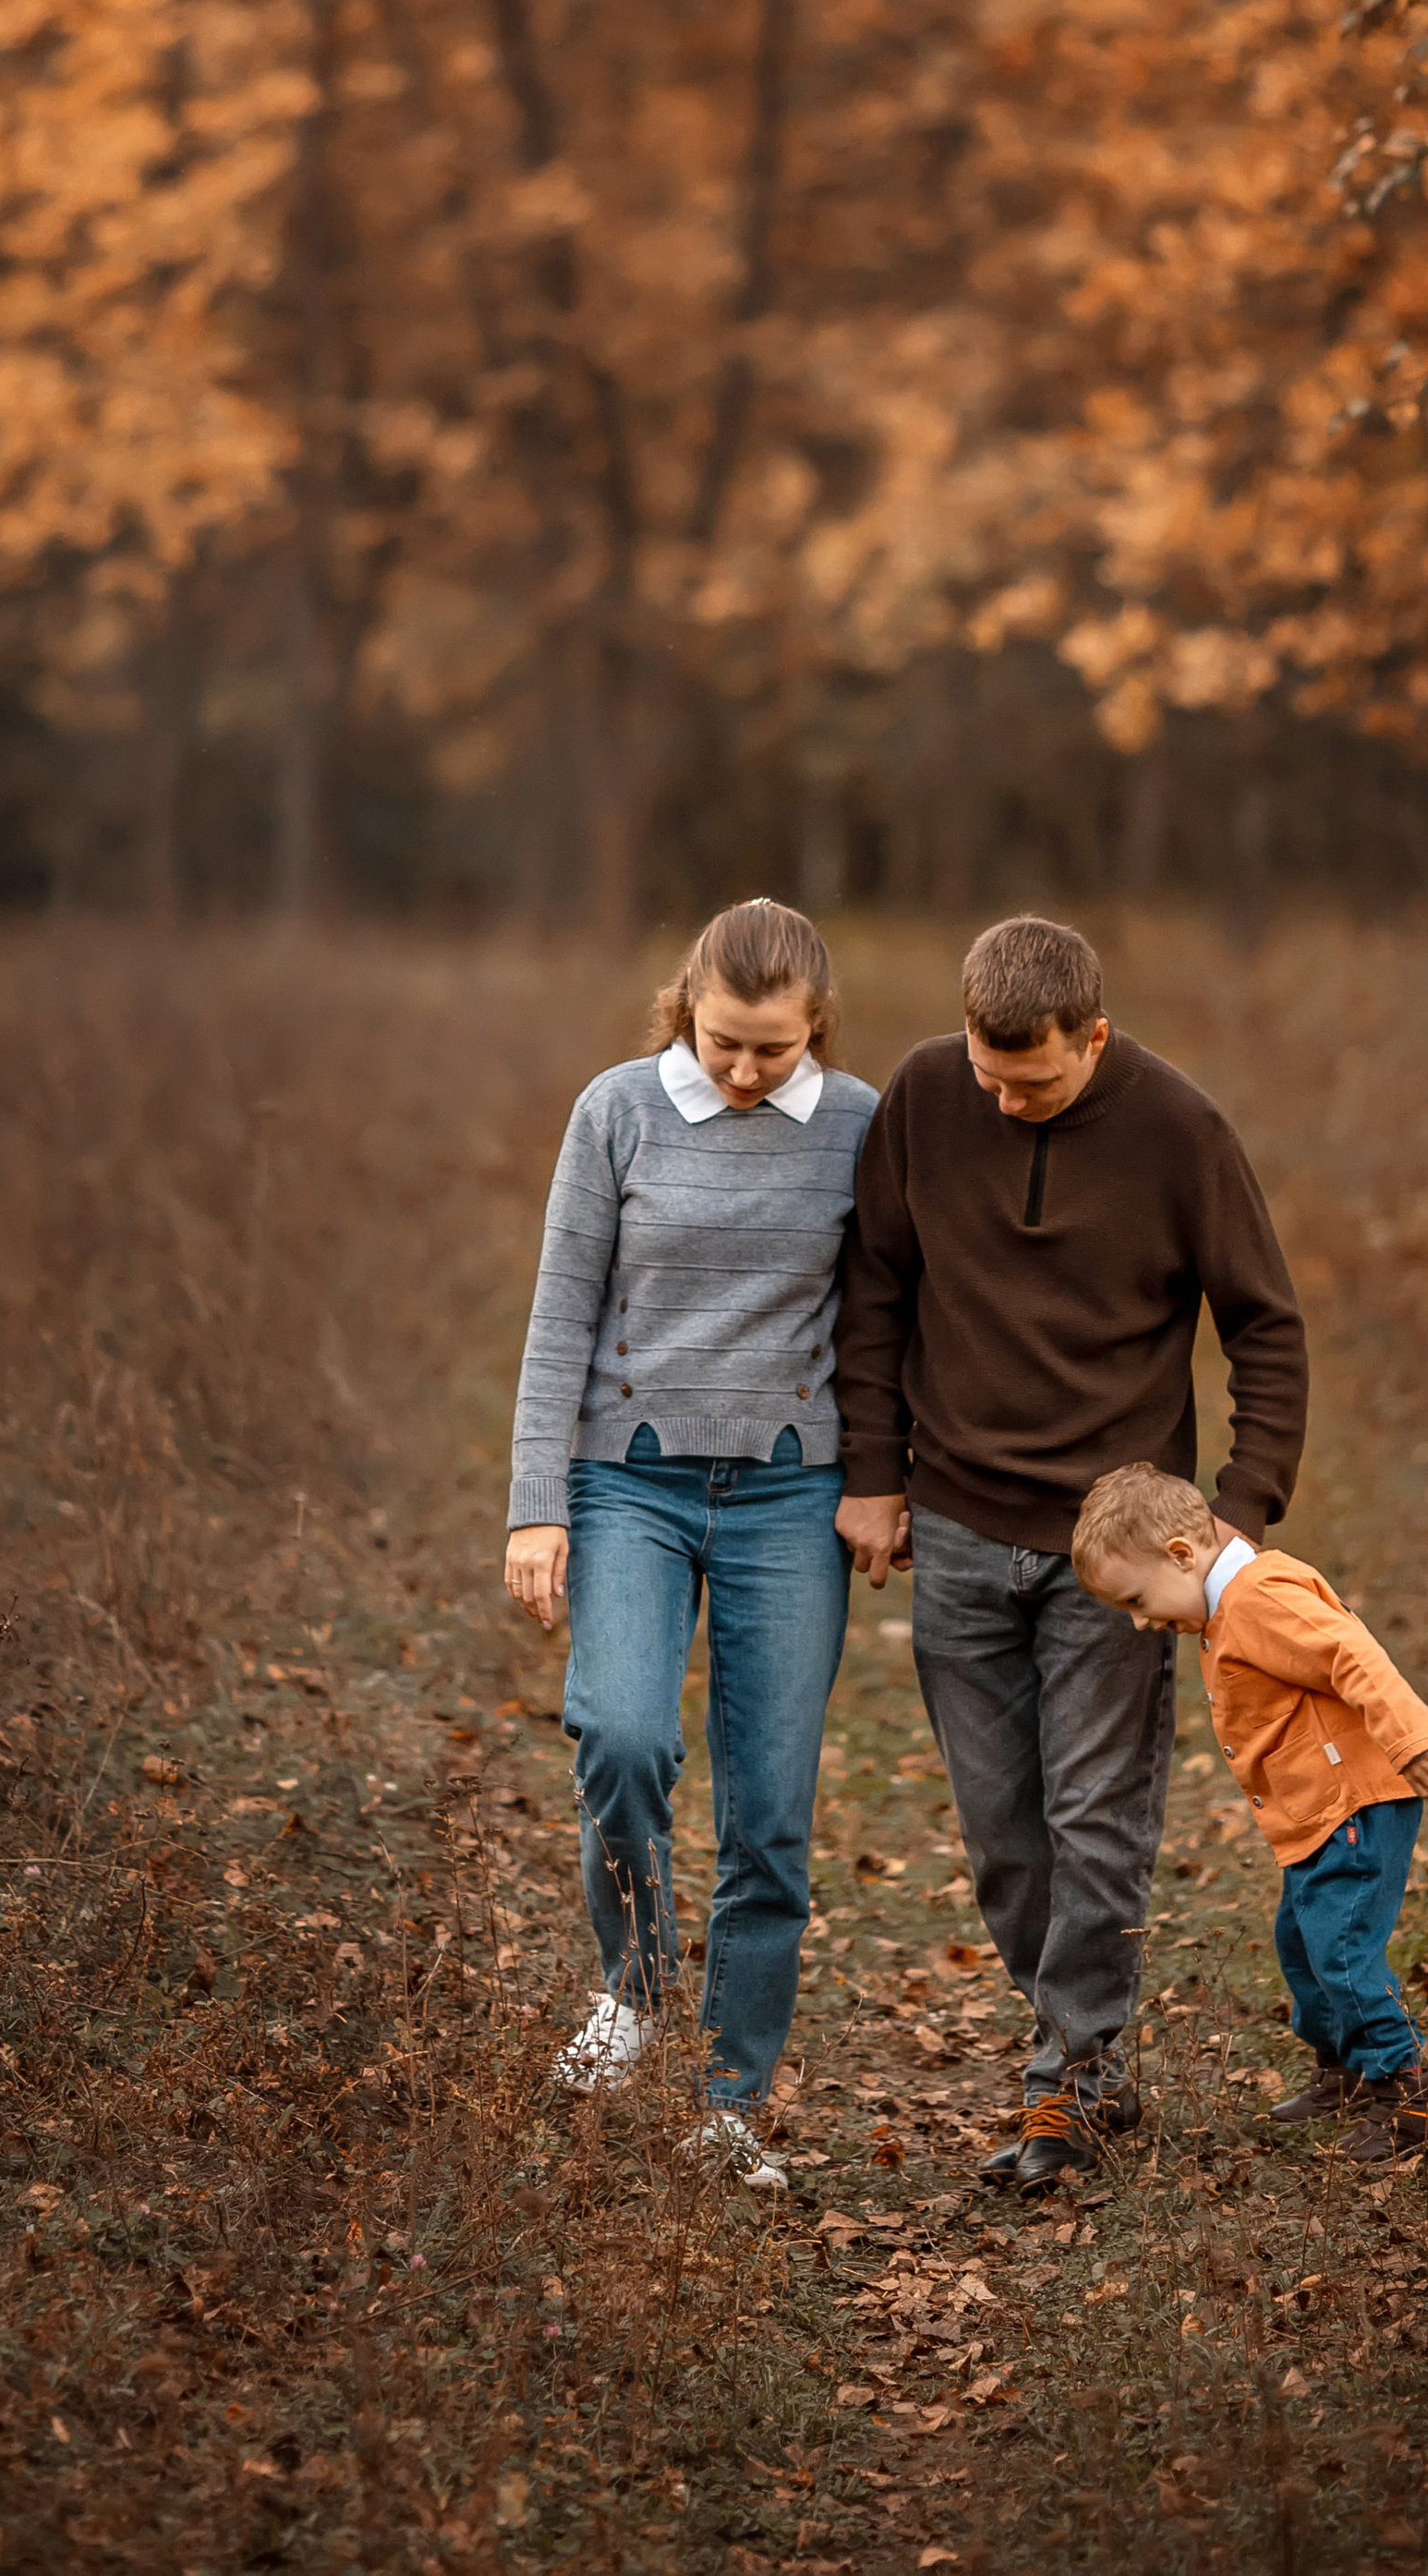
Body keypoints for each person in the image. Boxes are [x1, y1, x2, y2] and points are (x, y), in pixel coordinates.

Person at [833, 914, 1308, 2194]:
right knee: (1005, 1836)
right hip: (962, 1527)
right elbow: (874, 1287)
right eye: (991, 1075)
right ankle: (1082, 2055)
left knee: (1098, 1818)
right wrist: (874, 1474)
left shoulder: (1182, 1133)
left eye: (1033, 1080)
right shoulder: (929, 1096)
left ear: (1093, 1037)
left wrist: (1238, 1518)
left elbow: (1264, 1327)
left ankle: (1071, 2083)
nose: (1005, 1098)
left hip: (1119, 1555)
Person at [504, 898, 878, 2192]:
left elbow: (887, 1325)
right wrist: (534, 1503)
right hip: (629, 1483)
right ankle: (637, 1988)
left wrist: (882, 1485)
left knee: (770, 1814)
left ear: (813, 1026)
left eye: (772, 1048)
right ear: (688, 1007)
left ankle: (728, 2099)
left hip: (790, 1495)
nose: (743, 1069)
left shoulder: (860, 1127)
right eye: (724, 1040)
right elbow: (560, 1316)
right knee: (620, 1733)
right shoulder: (616, 1110)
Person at [1071, 1463, 1428, 2158]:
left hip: (1355, 1805)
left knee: (1339, 1950)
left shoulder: (1259, 1598)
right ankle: (1344, 2069)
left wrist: (1411, 1741)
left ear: (1182, 1556)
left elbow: (1352, 1654)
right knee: (1302, 1944)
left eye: (1136, 1598)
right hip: (1318, 1814)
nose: (1139, 1621)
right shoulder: (1229, 1605)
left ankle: (1407, 2096)